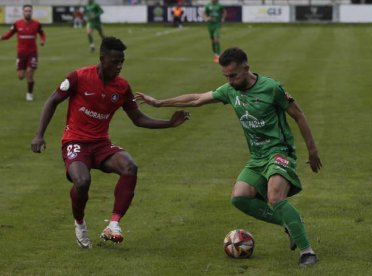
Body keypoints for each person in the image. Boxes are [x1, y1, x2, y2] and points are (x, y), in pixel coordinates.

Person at [135, 47, 322, 267]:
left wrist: (312, 151)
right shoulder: (230, 91)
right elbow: (196, 98)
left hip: (279, 151)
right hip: (257, 156)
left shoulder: (272, 88)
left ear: (246, 68)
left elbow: (299, 115)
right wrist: (159, 103)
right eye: (226, 76)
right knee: (240, 197)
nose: (230, 81)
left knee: (275, 197)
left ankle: (307, 251)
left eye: (234, 75)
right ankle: (290, 223)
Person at [31, 36, 190, 249]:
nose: (119, 66)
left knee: (129, 167)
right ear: (102, 58)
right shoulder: (78, 77)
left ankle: (113, 225)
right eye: (115, 61)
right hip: (75, 141)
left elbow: (138, 119)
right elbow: (52, 101)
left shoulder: (122, 87)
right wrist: (39, 135)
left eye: (121, 62)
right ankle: (80, 224)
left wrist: (169, 124)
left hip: (101, 144)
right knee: (82, 181)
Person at [0, 4, 46, 101]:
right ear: (23, 12)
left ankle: (29, 94)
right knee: (20, 76)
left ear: (31, 12)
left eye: (29, 11)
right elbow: (10, 34)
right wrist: (3, 37)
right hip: (21, 54)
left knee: (29, 72)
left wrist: (42, 40)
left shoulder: (37, 24)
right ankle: (27, 76)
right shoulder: (17, 24)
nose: (28, 12)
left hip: (32, 53)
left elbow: (42, 34)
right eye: (26, 11)